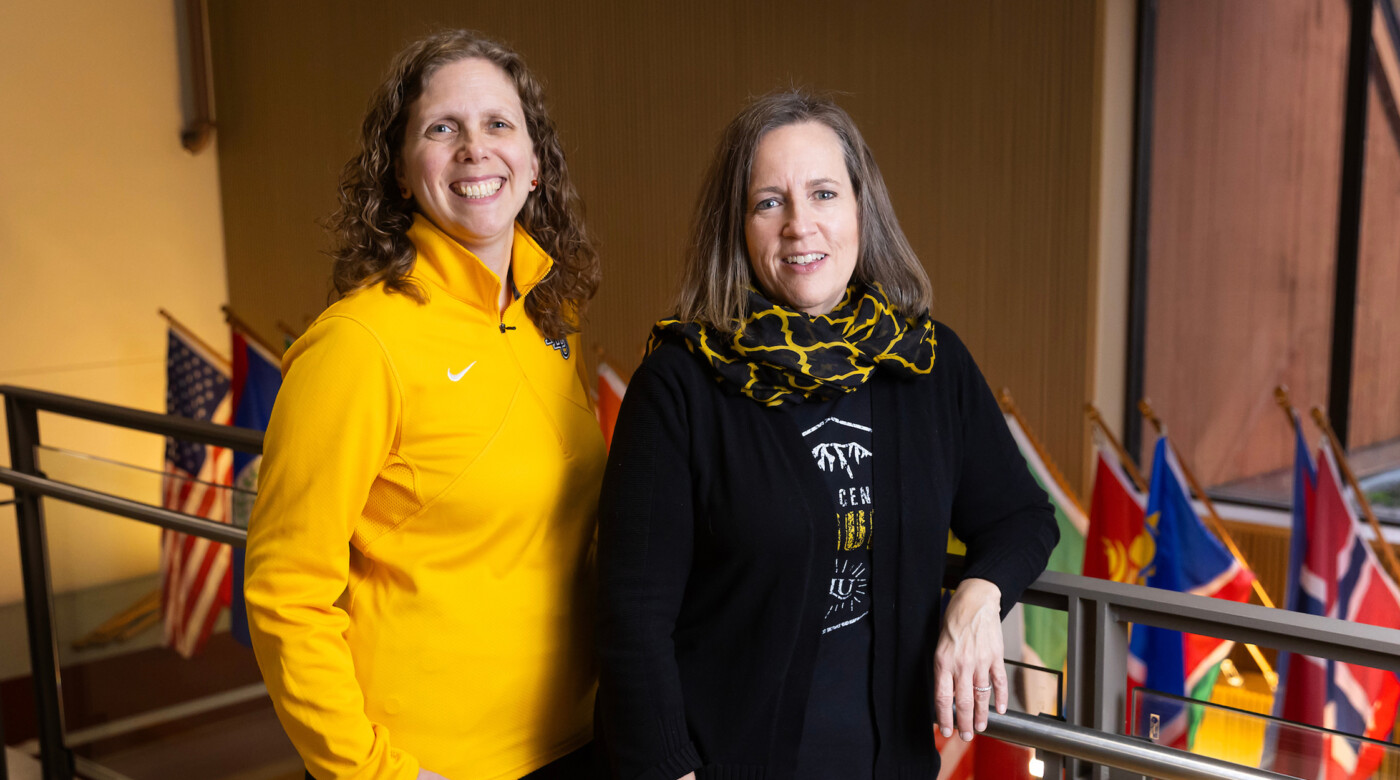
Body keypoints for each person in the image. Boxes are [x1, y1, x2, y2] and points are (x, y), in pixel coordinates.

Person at [594, 90, 1059, 779]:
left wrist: (978, 596)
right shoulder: (681, 384)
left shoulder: (926, 362)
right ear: (738, 227)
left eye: (823, 193)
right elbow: (633, 619)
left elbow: (1021, 517)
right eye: (768, 202)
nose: (799, 225)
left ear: (861, 211)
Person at [244, 30, 605, 780]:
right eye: (443, 128)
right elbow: (286, 594)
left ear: (535, 165)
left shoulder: (550, 319)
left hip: (581, 740)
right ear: (402, 172)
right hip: (429, 765)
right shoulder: (356, 344)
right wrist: (377, 774)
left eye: (499, 124)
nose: (476, 148)